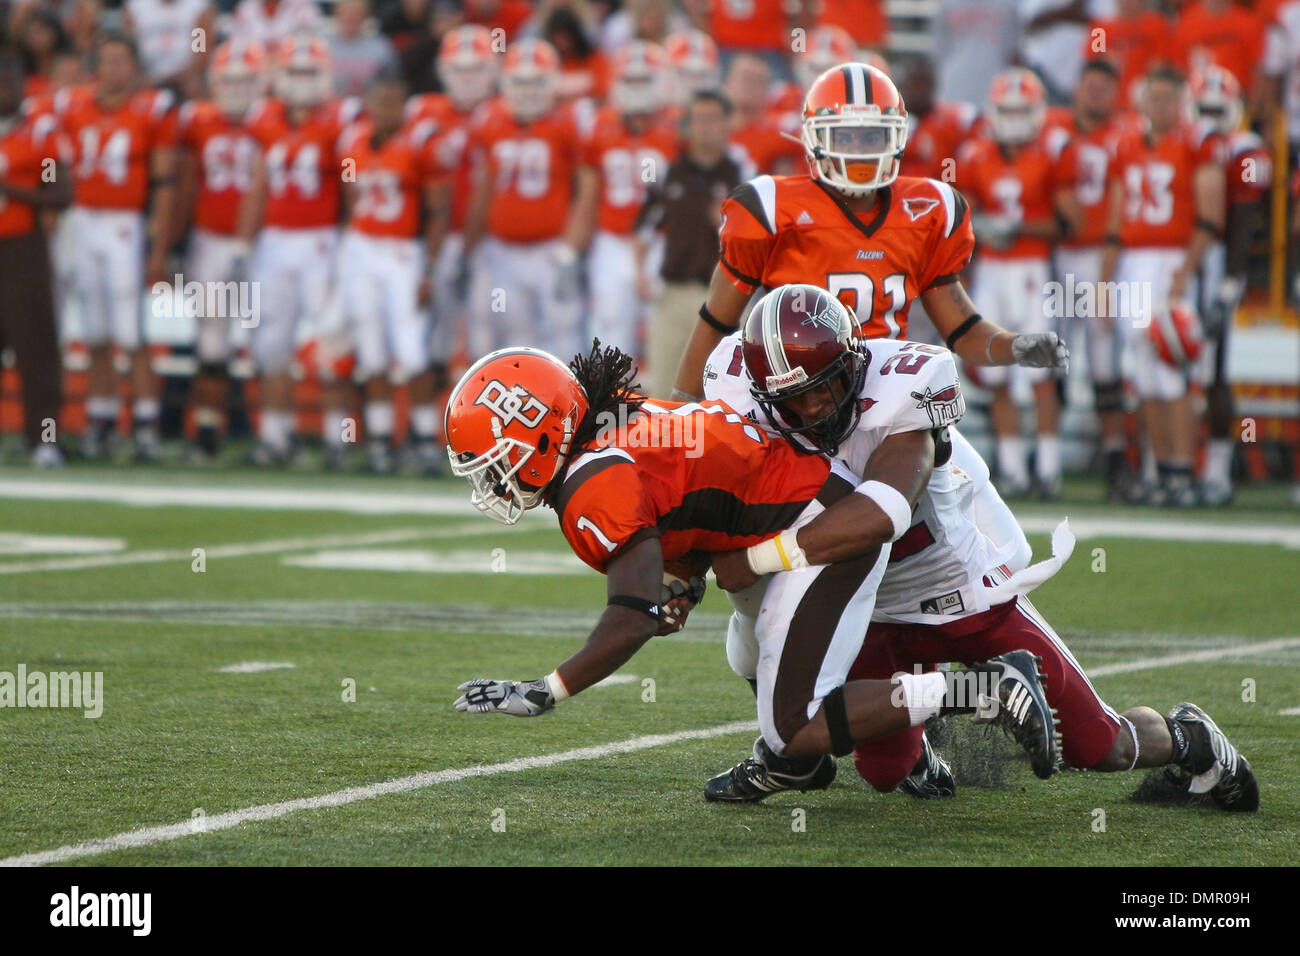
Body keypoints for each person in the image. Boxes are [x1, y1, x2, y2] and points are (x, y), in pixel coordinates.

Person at [701, 284, 1259, 812]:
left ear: (854, 358)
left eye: (827, 383)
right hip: (867, 606)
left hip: (952, 589)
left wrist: (753, 559)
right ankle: (917, 733)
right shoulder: (735, 390)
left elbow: (881, 515)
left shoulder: (905, 385)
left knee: (1099, 746)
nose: (819, 407)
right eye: (796, 399)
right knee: (883, 771)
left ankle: (1191, 740)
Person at [444, 341, 1059, 787]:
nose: (492, 481)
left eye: (493, 461)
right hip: (790, 512)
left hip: (813, 529)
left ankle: (984, 688)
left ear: (541, 436)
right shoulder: (619, 421)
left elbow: (630, 618)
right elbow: (686, 496)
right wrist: (680, 579)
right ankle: (813, 767)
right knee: (746, 657)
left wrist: (547, 689)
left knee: (792, 723)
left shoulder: (590, 488)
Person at [671, 62, 1070, 405]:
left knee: (970, 489)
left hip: (886, 391)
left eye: (871, 137)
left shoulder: (926, 210)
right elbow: (715, 321)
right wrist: (684, 405)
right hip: (797, 396)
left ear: (896, 137)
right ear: (815, 138)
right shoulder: (771, 208)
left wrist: (1012, 346)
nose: (859, 150)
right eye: (844, 137)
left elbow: (962, 331)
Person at [1099, 64, 1225, 507]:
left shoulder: (1196, 143)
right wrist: (1103, 280)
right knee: (1144, 376)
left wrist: (1186, 272)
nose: (1160, 106)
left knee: (1174, 371)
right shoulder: (1126, 144)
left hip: (1173, 259)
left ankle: (1182, 471)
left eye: (1168, 98)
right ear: (1143, 100)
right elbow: (1116, 221)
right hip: (1134, 261)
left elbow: (1210, 219)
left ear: (1182, 102)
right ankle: (1160, 471)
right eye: (1153, 97)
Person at [956, 67, 1081, 499]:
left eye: (1020, 110)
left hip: (1033, 268)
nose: (1012, 118)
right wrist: (982, 225)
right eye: (1006, 110)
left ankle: (1047, 469)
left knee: (1041, 367)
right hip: (992, 269)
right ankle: (1011, 470)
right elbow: (962, 216)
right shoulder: (975, 153)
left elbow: (1070, 221)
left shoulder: (1054, 149)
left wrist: (1018, 225)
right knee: (997, 370)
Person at [237, 33, 361, 465]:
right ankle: (275, 438)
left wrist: (350, 241)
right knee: (271, 344)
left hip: (321, 241)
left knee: (330, 343)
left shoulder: (339, 121)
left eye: (311, 72)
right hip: (274, 241)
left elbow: (350, 187)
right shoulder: (264, 119)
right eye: (296, 72)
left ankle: (336, 441)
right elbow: (257, 185)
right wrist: (243, 240)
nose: (303, 81)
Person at [56, 32, 178, 461]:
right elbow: (56, 165)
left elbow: (164, 183)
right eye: (106, 60)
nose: (114, 69)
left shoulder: (152, 110)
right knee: (95, 333)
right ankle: (100, 420)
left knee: (131, 332)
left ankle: (145, 424)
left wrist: (159, 244)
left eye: (121, 60)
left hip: (125, 224)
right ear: (97, 67)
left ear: (134, 66)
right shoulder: (71, 106)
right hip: (83, 221)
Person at [336, 70, 441, 473]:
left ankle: (424, 437)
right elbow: (351, 202)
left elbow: (437, 211)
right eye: (379, 102)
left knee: (412, 351)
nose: (385, 111)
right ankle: (381, 438)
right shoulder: (352, 142)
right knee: (371, 348)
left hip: (402, 252)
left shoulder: (420, 144)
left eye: (393, 103)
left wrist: (427, 268)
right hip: (363, 249)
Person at [459, 38, 588, 362]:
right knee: (514, 338)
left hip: (550, 249)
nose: (529, 91)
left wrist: (571, 249)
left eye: (536, 82)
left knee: (565, 337)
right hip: (502, 251)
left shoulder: (569, 122)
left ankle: (574, 411)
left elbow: (586, 190)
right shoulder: (489, 121)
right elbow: (484, 189)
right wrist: (470, 247)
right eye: (520, 82)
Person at [173, 40, 264, 462]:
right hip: (210, 238)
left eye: (245, 81)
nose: (236, 89)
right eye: (229, 80)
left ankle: (273, 435)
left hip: (266, 242)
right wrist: (175, 239)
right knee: (211, 341)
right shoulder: (197, 121)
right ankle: (208, 431)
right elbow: (185, 183)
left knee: (269, 342)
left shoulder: (273, 121)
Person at [634, 89, 741, 398]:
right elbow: (644, 227)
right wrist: (640, 272)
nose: (705, 127)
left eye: (713, 119)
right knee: (666, 390)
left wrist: (724, 225)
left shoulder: (742, 175)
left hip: (724, 297)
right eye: (699, 119)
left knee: (723, 392)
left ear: (726, 124)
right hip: (675, 293)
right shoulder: (670, 173)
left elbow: (759, 241)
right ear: (687, 125)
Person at [576, 40, 678, 357]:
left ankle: (659, 404)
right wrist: (572, 250)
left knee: (662, 330)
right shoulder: (600, 125)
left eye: (644, 80)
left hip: (662, 241)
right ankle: (613, 405)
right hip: (613, 240)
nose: (637, 88)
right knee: (611, 330)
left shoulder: (676, 127)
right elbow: (588, 193)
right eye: (630, 80)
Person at [0, 46, 71, 468]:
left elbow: (58, 193)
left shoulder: (39, 132)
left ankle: (45, 438)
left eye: (9, 82)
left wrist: (11, 191)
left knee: (36, 348)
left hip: (21, 247)